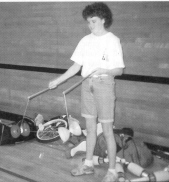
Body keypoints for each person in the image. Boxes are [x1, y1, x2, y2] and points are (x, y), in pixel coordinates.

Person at [49, 2, 125, 182]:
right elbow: (76, 66)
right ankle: (88, 164)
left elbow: (119, 70)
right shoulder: (85, 40)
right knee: (89, 129)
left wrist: (104, 70)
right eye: (88, 22)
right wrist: (57, 81)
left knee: (107, 130)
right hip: (86, 85)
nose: (90, 25)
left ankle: (112, 171)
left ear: (103, 19)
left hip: (104, 85)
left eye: (94, 21)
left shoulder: (113, 40)